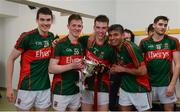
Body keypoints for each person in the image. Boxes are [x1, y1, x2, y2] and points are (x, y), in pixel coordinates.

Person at [6, 7, 54, 110]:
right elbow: (10, 59)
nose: (45, 23)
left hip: (44, 87)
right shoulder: (27, 37)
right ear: (37, 20)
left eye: (48, 20)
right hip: (26, 87)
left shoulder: (51, 37)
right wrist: (9, 87)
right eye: (42, 19)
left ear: (52, 21)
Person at [139, 16, 180, 111]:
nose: (163, 27)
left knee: (169, 110)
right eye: (160, 24)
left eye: (165, 25)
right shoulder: (144, 42)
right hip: (148, 83)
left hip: (166, 84)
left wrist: (172, 85)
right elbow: (140, 65)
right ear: (154, 25)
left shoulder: (173, 41)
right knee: (145, 109)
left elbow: (178, 64)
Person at [108, 24, 152, 111]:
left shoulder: (130, 47)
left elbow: (143, 71)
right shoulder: (115, 47)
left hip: (139, 88)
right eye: (110, 35)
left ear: (123, 35)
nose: (112, 38)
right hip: (125, 87)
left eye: (116, 35)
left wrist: (122, 69)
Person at [78, 15, 116, 111]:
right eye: (98, 27)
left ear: (107, 28)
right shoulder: (86, 40)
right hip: (86, 85)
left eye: (103, 28)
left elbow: (114, 69)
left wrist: (105, 69)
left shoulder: (111, 45)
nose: (101, 31)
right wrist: (56, 41)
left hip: (103, 87)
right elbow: (71, 41)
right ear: (94, 27)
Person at [48, 14, 84, 111]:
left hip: (76, 90)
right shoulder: (60, 44)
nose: (77, 28)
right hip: (61, 90)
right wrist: (71, 65)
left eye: (79, 26)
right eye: (74, 25)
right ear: (68, 26)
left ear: (82, 27)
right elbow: (51, 69)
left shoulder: (80, 45)